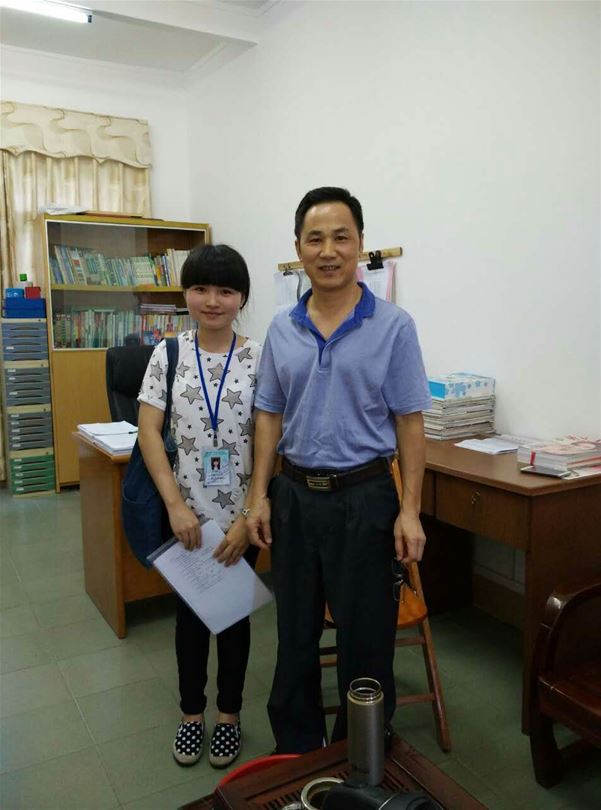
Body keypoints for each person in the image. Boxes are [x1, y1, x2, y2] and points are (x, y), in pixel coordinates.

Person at [246, 187, 432, 754]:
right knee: (295, 634)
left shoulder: (394, 326)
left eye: (341, 238)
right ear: (298, 247)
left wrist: (409, 510)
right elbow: (268, 414)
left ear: (360, 244)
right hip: (296, 498)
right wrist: (259, 495)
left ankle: (362, 756)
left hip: (366, 497)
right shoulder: (282, 327)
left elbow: (410, 424)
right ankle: (297, 753)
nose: (328, 251)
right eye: (315, 239)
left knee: (366, 641)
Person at [137, 244, 261, 768]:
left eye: (225, 290)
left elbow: (273, 439)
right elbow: (148, 431)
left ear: (242, 298)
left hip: (241, 520)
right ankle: (192, 715)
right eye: (200, 288)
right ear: (185, 293)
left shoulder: (259, 358)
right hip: (186, 518)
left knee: (232, 620)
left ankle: (229, 716)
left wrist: (249, 516)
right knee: (190, 622)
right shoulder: (167, 355)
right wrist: (174, 506)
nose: (212, 300)